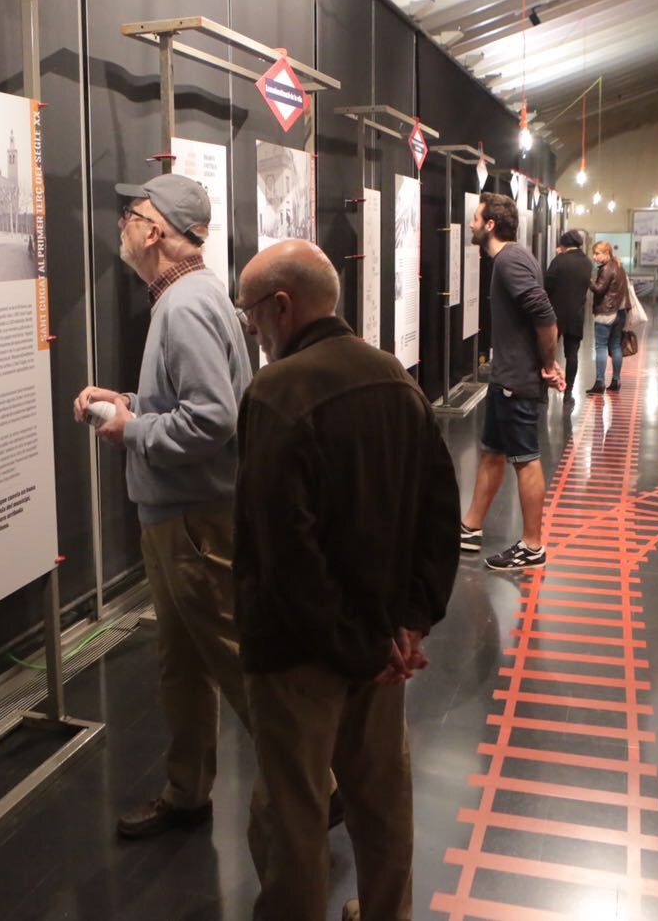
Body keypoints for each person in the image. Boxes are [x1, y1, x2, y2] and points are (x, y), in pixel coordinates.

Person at [231, 239, 459, 921]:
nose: (250, 330)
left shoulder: (274, 394)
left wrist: (358, 644)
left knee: (295, 818)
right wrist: (409, 623)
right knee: (383, 802)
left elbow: (284, 555)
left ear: (281, 306)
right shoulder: (395, 378)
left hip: (304, 656)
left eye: (251, 314)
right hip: (383, 648)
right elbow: (439, 512)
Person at [73, 173, 255, 838]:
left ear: (153, 230)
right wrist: (130, 403)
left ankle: (316, 784)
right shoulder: (190, 298)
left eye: (129, 214)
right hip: (180, 517)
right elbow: (190, 403)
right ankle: (188, 792)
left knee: (232, 661)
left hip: (194, 521)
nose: (121, 224)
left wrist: (131, 430)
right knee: (184, 663)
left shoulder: (183, 307)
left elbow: (213, 419)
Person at [458, 193, 564, 570]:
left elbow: (545, 313)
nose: (471, 223)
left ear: (489, 225)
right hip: (506, 377)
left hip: (516, 381)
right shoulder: (511, 258)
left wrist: (549, 364)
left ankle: (533, 546)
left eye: (475, 218)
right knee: (491, 453)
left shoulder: (509, 261)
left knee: (526, 461)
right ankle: (470, 527)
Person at [544, 230, 592, 398]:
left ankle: (543, 387)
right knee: (572, 355)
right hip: (576, 315)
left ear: (563, 244)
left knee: (546, 351)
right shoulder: (587, 262)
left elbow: (547, 284)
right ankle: (568, 391)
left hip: (555, 314)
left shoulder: (559, 260)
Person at [586, 240, 629, 394]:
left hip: (606, 313)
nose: (595, 257)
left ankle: (599, 382)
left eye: (597, 253)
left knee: (601, 347)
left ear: (606, 253)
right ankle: (616, 380)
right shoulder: (619, 266)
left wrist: (588, 280)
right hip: (621, 312)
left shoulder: (606, 269)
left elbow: (599, 289)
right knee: (616, 346)